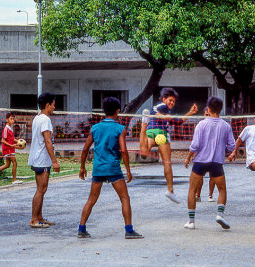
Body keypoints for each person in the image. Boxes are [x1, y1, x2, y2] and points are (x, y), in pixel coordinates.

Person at [78, 97, 143, 239]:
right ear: (117, 111)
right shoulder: (120, 129)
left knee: (91, 199)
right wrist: (128, 170)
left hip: (98, 168)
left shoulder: (95, 128)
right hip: (113, 168)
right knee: (125, 198)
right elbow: (124, 151)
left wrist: (82, 167)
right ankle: (129, 230)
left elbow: (84, 149)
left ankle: (81, 229)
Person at [184, 96, 236, 230]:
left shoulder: (201, 124)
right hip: (216, 162)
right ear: (220, 109)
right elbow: (231, 146)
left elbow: (195, 145)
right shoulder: (226, 126)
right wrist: (222, 149)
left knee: (192, 189)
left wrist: (188, 157)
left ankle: (191, 221)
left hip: (200, 161)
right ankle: (219, 214)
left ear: (208, 109)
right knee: (222, 189)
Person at [140, 87, 198, 203]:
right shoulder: (161, 106)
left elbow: (179, 121)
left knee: (145, 154)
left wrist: (190, 112)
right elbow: (155, 112)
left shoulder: (167, 111)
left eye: (174, 101)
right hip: (160, 133)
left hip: (152, 133)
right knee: (167, 162)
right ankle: (170, 191)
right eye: (170, 100)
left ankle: (144, 129)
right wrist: (164, 116)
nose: (172, 103)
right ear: (164, 99)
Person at [28, 92, 60, 228]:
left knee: (42, 188)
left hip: (37, 158)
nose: (54, 107)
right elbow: (47, 140)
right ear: (47, 105)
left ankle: (39, 217)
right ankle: (34, 220)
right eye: (53, 105)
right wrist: (54, 161)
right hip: (42, 159)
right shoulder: (45, 120)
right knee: (41, 189)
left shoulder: (37, 118)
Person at [0, 112, 22, 185]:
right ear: (7, 119)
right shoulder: (6, 129)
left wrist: (20, 141)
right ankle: (14, 180)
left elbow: (12, 139)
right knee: (15, 163)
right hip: (8, 149)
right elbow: (3, 140)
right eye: (11, 119)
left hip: (10, 148)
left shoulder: (10, 128)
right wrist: (12, 145)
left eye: (13, 119)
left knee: (7, 165)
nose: (12, 120)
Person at [195, 107, 216, 202]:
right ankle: (197, 195)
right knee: (199, 176)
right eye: (206, 115)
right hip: (202, 153)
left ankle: (210, 195)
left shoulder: (216, 125)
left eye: (209, 115)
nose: (207, 117)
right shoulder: (200, 125)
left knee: (213, 175)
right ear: (203, 115)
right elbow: (196, 141)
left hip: (213, 153)